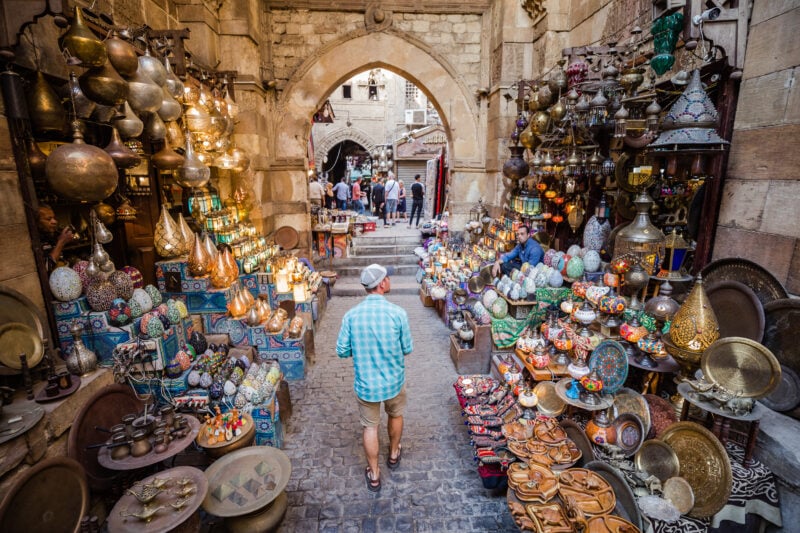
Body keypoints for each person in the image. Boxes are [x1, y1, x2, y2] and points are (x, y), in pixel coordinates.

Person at [336, 263, 413, 492]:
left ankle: (375, 474)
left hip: (366, 385)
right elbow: (407, 348)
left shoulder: (351, 316)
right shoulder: (398, 313)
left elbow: (341, 350)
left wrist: (358, 349)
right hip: (394, 381)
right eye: (387, 278)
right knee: (396, 414)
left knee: (370, 427)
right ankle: (393, 453)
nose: (389, 280)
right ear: (381, 284)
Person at [37, 205, 73, 273]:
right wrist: (61, 242)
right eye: (48, 219)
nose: (54, 222)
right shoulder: (37, 241)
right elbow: (47, 267)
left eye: (54, 218)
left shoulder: (51, 236)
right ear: (38, 223)